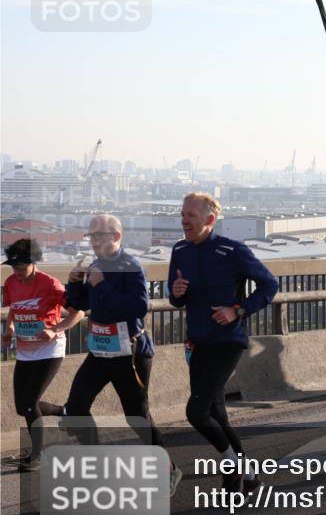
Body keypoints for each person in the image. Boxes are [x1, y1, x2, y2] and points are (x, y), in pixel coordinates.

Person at [63, 215, 182, 495]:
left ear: (116, 236)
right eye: (91, 236)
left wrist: (103, 284)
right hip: (99, 352)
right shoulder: (93, 266)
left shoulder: (130, 266)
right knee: (76, 407)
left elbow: (138, 307)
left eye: (99, 236)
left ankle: (169, 469)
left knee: (136, 416)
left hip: (129, 353)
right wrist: (74, 284)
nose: (94, 242)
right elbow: (81, 304)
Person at [168, 193, 279, 493]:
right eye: (183, 214)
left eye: (190, 215)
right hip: (197, 342)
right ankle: (248, 478)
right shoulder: (180, 250)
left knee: (197, 412)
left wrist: (238, 310)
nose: (184, 220)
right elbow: (175, 298)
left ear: (209, 220)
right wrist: (176, 292)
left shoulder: (232, 251)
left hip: (228, 340)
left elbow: (270, 285)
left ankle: (235, 467)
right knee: (216, 413)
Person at [2, 239, 83, 471]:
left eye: (21, 267)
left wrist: (56, 329)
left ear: (33, 263)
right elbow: (14, 310)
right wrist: (10, 329)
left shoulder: (51, 284)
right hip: (25, 351)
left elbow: (77, 313)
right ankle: (64, 412)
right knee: (22, 406)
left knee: (29, 404)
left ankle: (39, 455)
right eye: (13, 268)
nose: (16, 273)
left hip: (50, 350)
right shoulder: (10, 283)